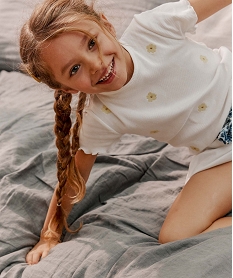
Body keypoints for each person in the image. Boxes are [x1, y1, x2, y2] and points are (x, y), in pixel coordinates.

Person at [19, 0, 232, 265]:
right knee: (176, 234)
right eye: (75, 69)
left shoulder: (153, 27)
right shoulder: (102, 117)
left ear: (106, 24)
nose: (95, 64)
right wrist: (49, 234)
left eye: (91, 43)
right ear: (68, 89)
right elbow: (74, 177)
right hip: (221, 152)